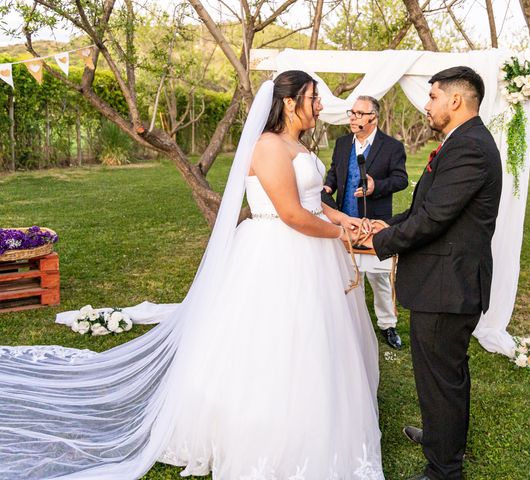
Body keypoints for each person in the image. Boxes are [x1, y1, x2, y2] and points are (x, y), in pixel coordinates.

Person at [0, 71, 384, 479]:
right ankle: (264, 430)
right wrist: (342, 233)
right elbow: (290, 214)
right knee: (275, 340)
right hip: (277, 252)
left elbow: (313, 205)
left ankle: (321, 414)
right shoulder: (268, 146)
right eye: (314, 97)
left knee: (318, 337)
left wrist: (348, 221)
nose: (321, 105)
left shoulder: (298, 144)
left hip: (311, 248)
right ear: (290, 103)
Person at [364, 66, 502, 480]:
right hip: (442, 284)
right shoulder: (461, 142)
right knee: (439, 375)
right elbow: (426, 207)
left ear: (455, 100)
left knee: (442, 378)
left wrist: (377, 244)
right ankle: (440, 437)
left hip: (449, 287)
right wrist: (387, 225)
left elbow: (435, 219)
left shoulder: (470, 147)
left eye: (433, 97)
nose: (427, 106)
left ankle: (444, 469)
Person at [324, 95, 408, 349]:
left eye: (360, 113)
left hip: (375, 222)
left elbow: (401, 179)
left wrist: (376, 187)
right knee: (348, 272)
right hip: (343, 220)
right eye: (352, 112)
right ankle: (353, 324)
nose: (353, 117)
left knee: (379, 278)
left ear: (374, 117)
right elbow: (335, 171)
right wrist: (329, 185)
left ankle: (388, 324)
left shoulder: (392, 147)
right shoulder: (341, 144)